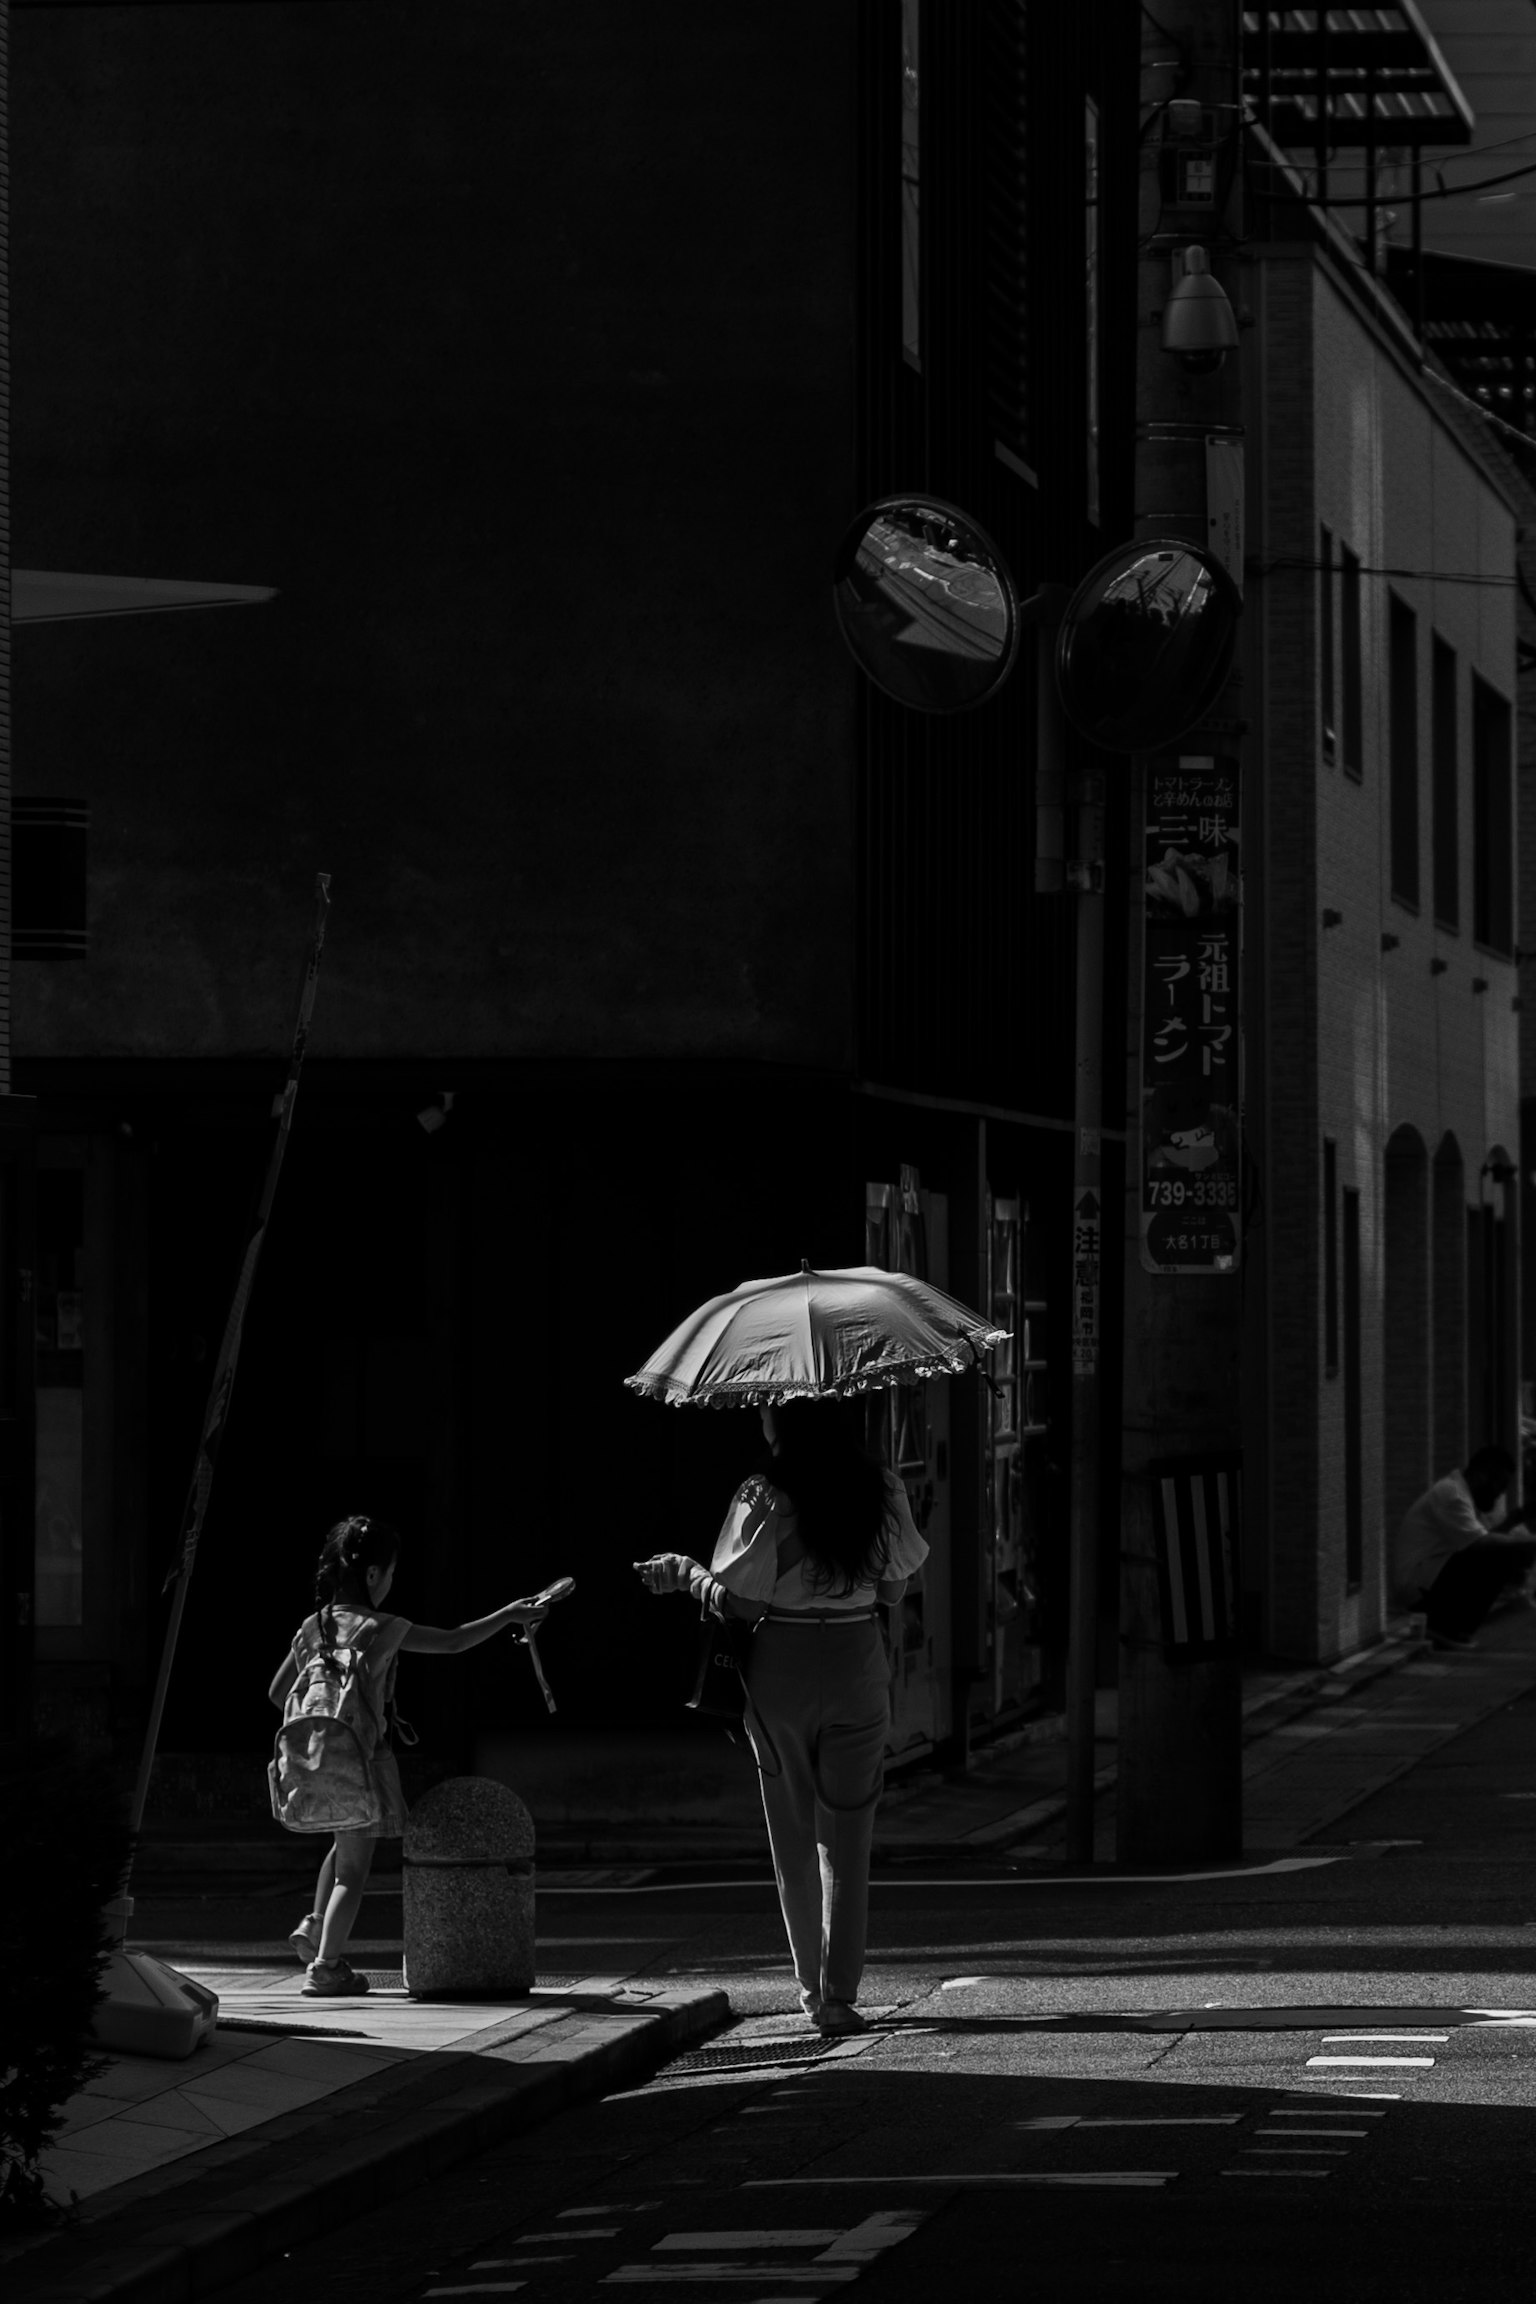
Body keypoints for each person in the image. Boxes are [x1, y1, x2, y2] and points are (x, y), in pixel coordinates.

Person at [636, 1396, 928, 2036]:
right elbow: (894, 1587)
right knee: (849, 1837)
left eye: (767, 1409)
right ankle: (843, 1994)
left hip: (783, 1666)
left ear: (785, 1424)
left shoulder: (765, 1494)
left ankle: (811, 1992)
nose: (760, 1419)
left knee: (792, 1832)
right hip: (857, 1659)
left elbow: (739, 1603)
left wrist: (688, 1575)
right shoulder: (879, 1486)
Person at [268, 1513, 550, 1997]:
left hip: (314, 1759)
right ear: (373, 1574)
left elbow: (277, 1693)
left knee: (342, 1848)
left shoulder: (311, 1628)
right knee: (354, 1871)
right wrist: (508, 1615)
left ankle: (314, 1926)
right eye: (392, 1572)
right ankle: (326, 1966)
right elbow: (455, 1640)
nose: (392, 1582)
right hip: (365, 1763)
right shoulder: (384, 1628)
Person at [1393, 1445, 1536, 1651]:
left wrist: (1511, 1522)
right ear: (1480, 1476)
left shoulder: (1460, 1492)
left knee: (1504, 1549)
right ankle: (1446, 1626)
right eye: (1498, 1486)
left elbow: (1482, 1538)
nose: (1498, 1496)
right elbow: (1482, 1544)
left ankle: (1455, 1627)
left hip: (1428, 1580)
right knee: (1505, 1553)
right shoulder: (1453, 1495)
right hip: (1420, 1593)